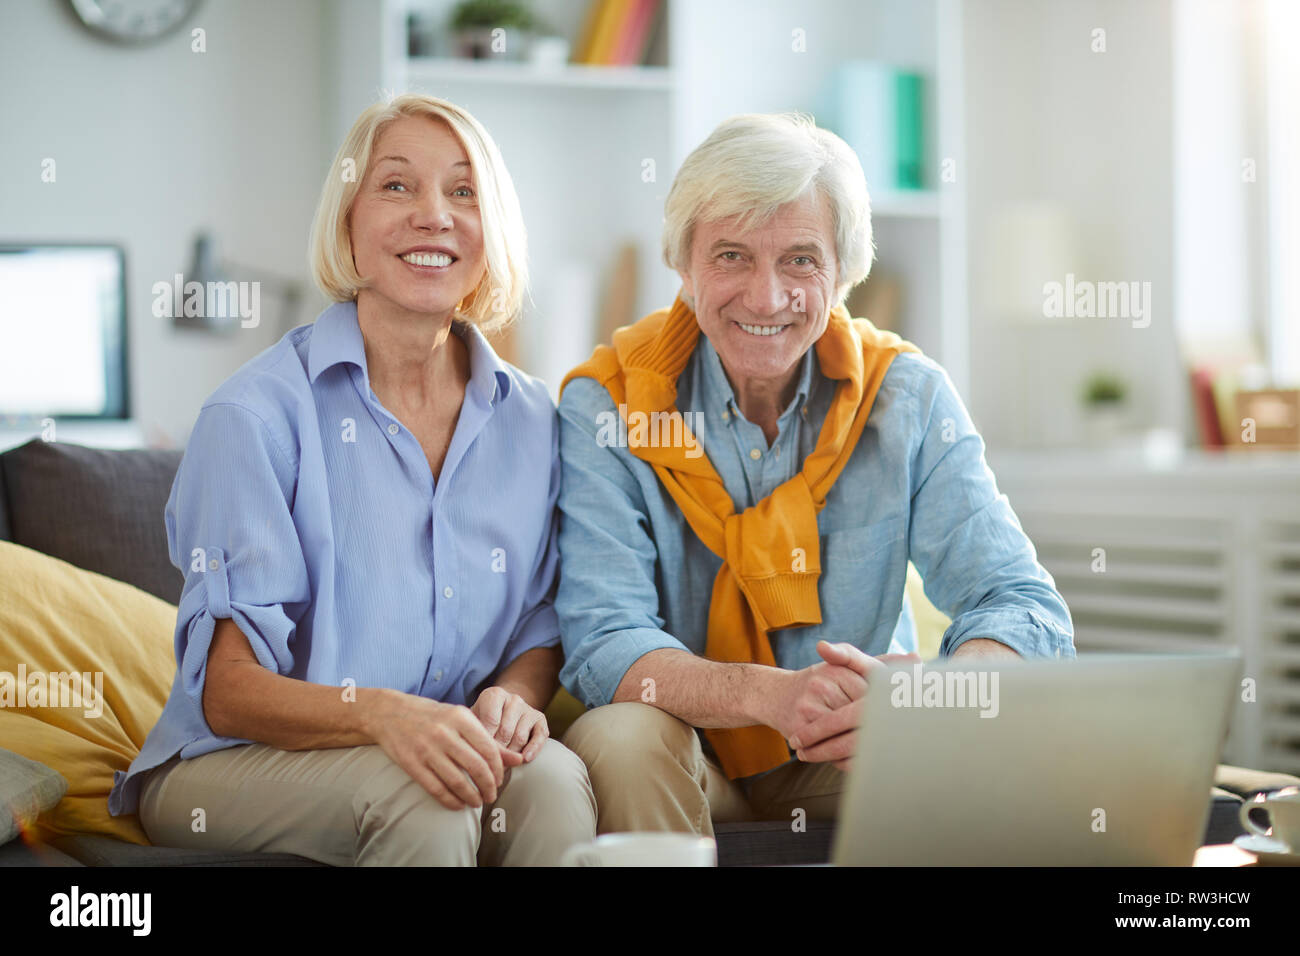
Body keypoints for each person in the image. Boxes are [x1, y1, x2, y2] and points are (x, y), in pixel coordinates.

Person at [107, 93, 595, 866]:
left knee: (557, 778)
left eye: (464, 192)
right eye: (396, 186)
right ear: (348, 227)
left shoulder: (534, 420)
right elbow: (229, 690)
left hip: (429, 747)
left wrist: (516, 696)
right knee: (426, 800)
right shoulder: (253, 417)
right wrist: (382, 716)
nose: (434, 215)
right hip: (228, 764)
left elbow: (540, 626)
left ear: (492, 232)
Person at [555, 112, 1075, 836]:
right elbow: (602, 642)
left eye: (800, 260)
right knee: (620, 734)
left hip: (860, 761)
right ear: (684, 264)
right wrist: (769, 696)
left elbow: (1022, 605)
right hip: (689, 760)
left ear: (841, 272)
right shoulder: (605, 403)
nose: (766, 298)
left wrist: (936, 691)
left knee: (1002, 732)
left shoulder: (908, 399)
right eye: (732, 256)